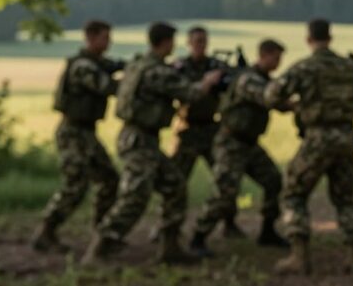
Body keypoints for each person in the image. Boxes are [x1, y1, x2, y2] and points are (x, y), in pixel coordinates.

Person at [82, 21, 222, 265]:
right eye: (172, 42)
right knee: (135, 195)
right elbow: (189, 93)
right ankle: (99, 248)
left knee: (175, 185)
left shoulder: (138, 64)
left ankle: (170, 247)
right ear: (166, 42)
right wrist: (208, 82)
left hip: (142, 138)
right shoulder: (156, 71)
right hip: (139, 139)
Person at [273, 18, 353, 276]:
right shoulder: (348, 67)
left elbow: (272, 94)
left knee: (293, 193)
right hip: (346, 138)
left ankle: (299, 256)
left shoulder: (304, 67)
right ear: (330, 37)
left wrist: (294, 106)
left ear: (308, 38)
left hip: (317, 138)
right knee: (345, 197)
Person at [190, 38, 289, 256]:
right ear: (264, 55)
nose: (278, 62)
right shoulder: (248, 80)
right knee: (224, 194)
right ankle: (198, 237)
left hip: (250, 144)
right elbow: (268, 98)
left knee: (273, 180)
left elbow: (278, 102)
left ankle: (268, 232)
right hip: (231, 143)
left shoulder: (262, 79)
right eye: (276, 57)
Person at [31, 20, 121, 252]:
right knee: (76, 183)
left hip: (86, 132)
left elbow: (114, 66)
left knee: (109, 178)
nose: (108, 42)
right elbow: (108, 87)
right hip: (73, 132)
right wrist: (136, 81)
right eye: (104, 37)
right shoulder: (83, 66)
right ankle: (46, 232)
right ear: (90, 38)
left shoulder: (96, 63)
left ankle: (102, 233)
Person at [168, 26, 243, 238]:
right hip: (187, 129)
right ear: (189, 43)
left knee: (225, 178)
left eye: (204, 41)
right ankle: (169, 225)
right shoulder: (180, 68)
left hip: (211, 129)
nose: (201, 45)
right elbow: (179, 91)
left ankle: (229, 222)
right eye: (197, 41)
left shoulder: (216, 66)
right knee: (176, 180)